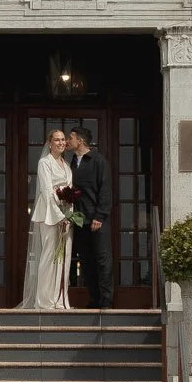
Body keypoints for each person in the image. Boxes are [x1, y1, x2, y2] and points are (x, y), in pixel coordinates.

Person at [21, 129, 72, 310]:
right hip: (49, 214)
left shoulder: (66, 165)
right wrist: (58, 215)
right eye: (57, 140)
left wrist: (68, 215)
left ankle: (60, 299)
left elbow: (70, 190)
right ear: (50, 143)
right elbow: (47, 190)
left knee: (64, 257)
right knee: (49, 255)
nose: (61, 143)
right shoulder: (44, 163)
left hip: (66, 214)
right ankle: (44, 300)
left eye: (63, 139)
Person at [66, 125, 112, 311]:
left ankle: (106, 301)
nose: (67, 141)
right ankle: (94, 299)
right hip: (79, 220)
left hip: (97, 220)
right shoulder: (71, 162)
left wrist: (99, 216)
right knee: (86, 261)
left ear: (80, 141)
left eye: (70, 138)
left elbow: (105, 190)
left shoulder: (98, 161)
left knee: (102, 259)